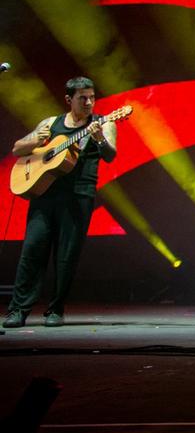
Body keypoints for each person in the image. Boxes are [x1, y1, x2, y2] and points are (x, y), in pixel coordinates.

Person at [4, 77, 118, 328]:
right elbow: (17, 149)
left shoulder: (103, 122)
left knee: (66, 255)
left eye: (91, 97)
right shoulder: (50, 123)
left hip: (79, 195)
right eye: (82, 98)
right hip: (44, 195)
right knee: (32, 251)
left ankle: (55, 309)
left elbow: (110, 155)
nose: (88, 102)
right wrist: (35, 141)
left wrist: (99, 139)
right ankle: (18, 310)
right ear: (69, 100)